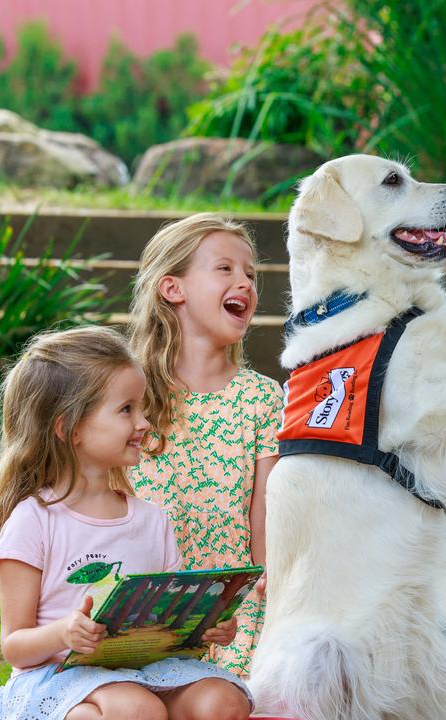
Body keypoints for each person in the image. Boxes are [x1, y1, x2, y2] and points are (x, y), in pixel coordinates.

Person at [0, 326, 251, 720]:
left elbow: (168, 626)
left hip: (143, 672)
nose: (144, 423)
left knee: (223, 701)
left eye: (141, 408)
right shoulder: (34, 519)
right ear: (69, 428)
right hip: (57, 677)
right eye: (126, 410)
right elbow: (14, 645)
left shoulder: (153, 521)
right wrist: (64, 633)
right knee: (135, 710)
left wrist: (205, 627)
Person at [126, 213, 283, 677]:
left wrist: (268, 596)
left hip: (231, 613)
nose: (245, 283)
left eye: (251, 274)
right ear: (172, 289)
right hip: (143, 605)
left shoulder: (262, 398)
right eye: (225, 269)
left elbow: (264, 518)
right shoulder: (129, 395)